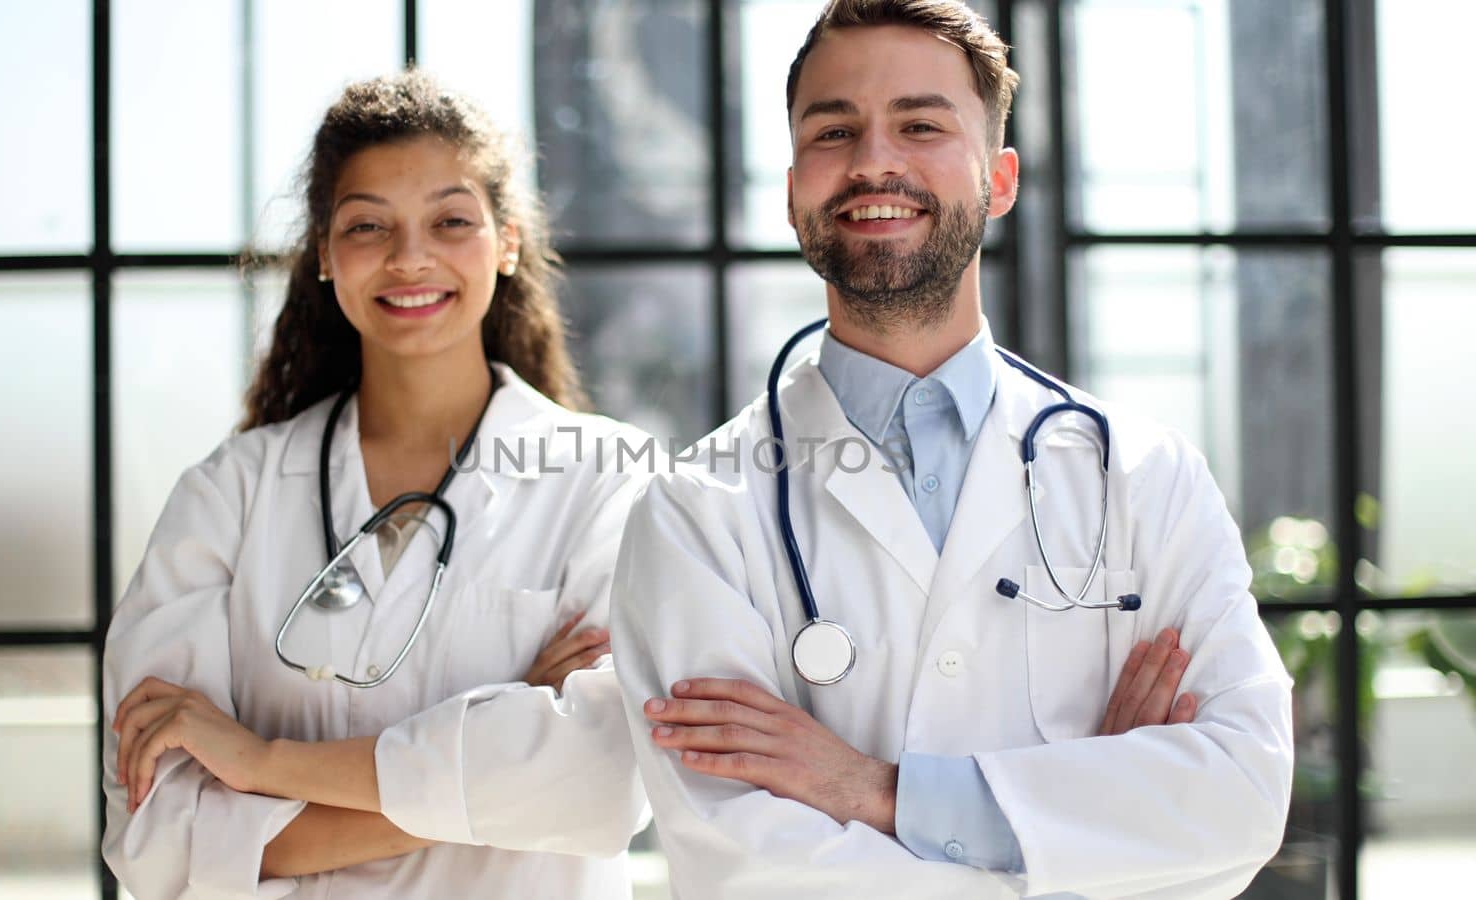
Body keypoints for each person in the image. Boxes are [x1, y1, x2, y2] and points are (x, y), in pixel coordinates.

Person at [610, 2, 1294, 897]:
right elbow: (753, 868)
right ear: (790, 191)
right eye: (834, 130)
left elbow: (1239, 797)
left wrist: (876, 792)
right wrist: (1091, 830)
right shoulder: (697, 511)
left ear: (999, 180)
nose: (873, 161)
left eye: (921, 124)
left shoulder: (1145, 477)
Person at [102, 69, 650, 899]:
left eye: (450, 220)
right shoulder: (230, 495)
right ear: (324, 253)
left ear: (505, 241)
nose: (409, 258)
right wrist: (496, 754)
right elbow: (159, 835)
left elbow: (604, 782)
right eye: (368, 226)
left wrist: (260, 764)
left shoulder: (610, 480)